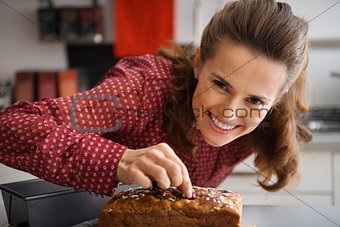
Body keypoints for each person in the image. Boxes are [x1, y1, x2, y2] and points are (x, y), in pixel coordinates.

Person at [0, 0, 312, 199]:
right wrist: (119, 161)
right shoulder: (141, 90)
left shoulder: (268, 119)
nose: (229, 112)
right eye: (220, 84)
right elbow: (9, 127)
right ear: (199, 61)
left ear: (278, 97)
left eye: (255, 101)